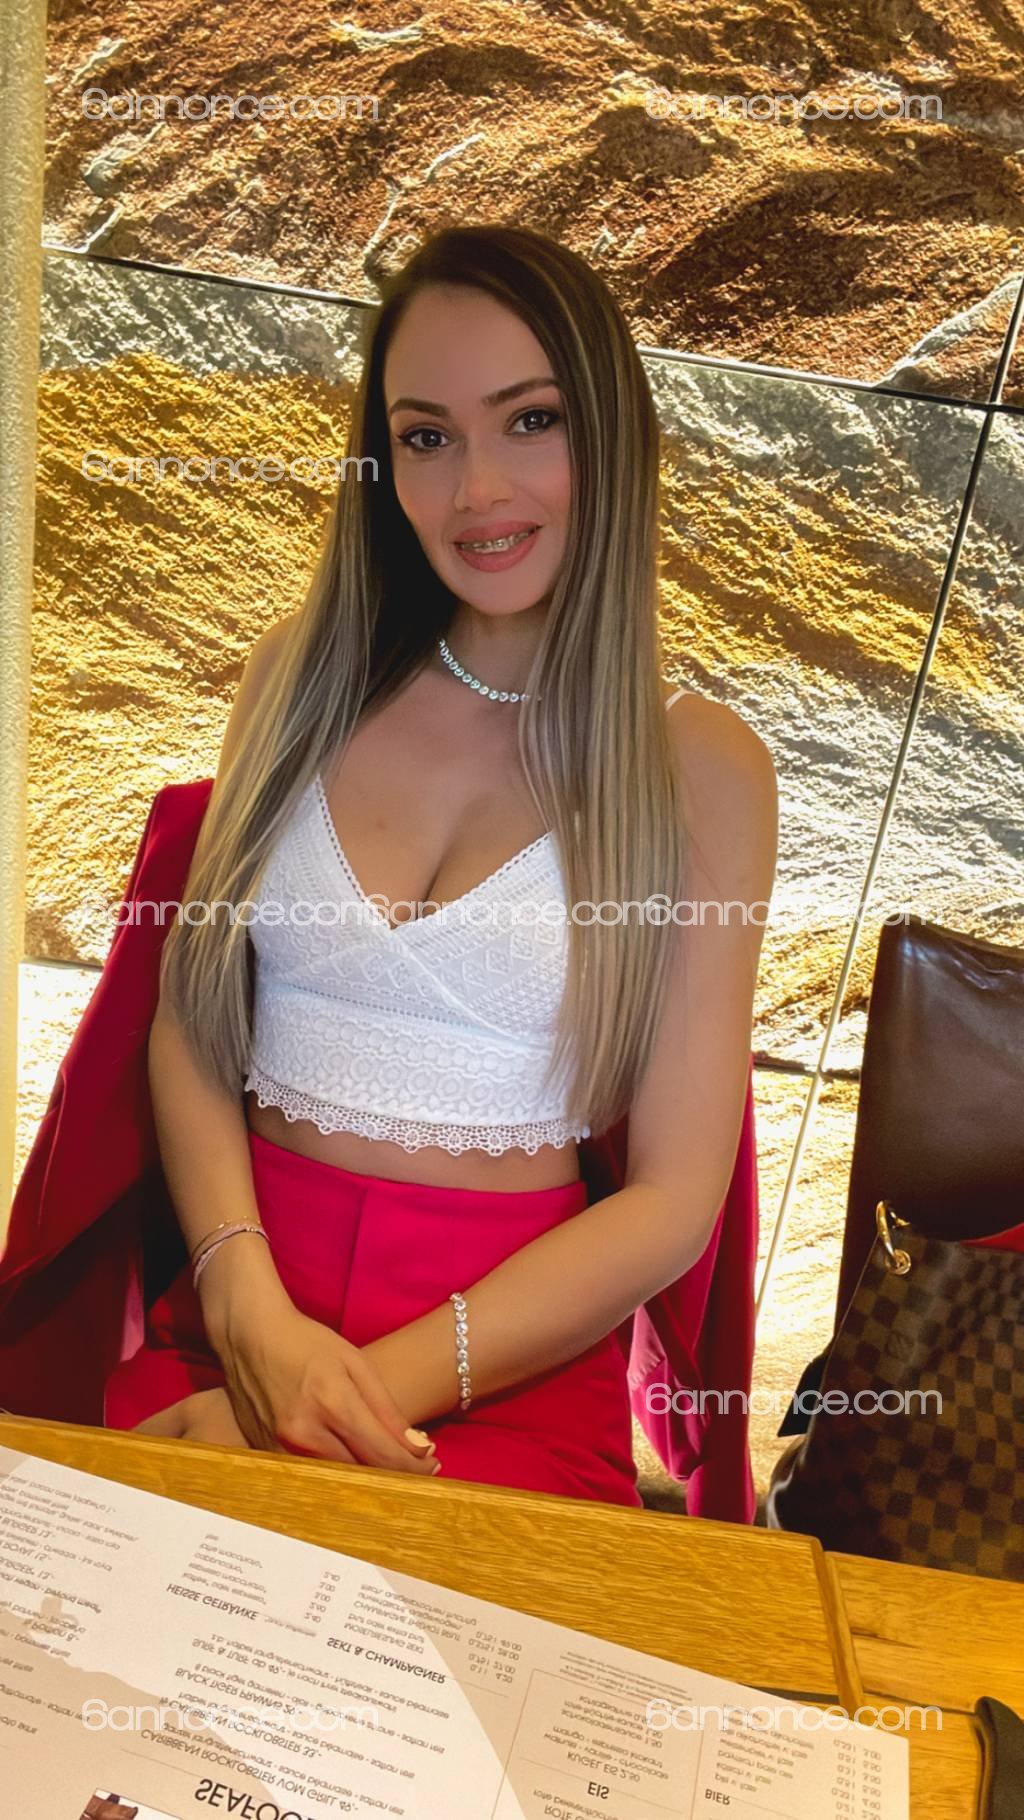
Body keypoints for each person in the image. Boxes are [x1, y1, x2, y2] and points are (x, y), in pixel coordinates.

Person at [103, 223, 778, 1507]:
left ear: (611, 434)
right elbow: (192, 1021)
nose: (476, 488)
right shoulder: (298, 676)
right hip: (238, 1301)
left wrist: (324, 1403)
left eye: (530, 420)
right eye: (426, 436)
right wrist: (246, 1308)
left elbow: (673, 1198)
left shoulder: (699, 767)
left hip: (501, 1363)